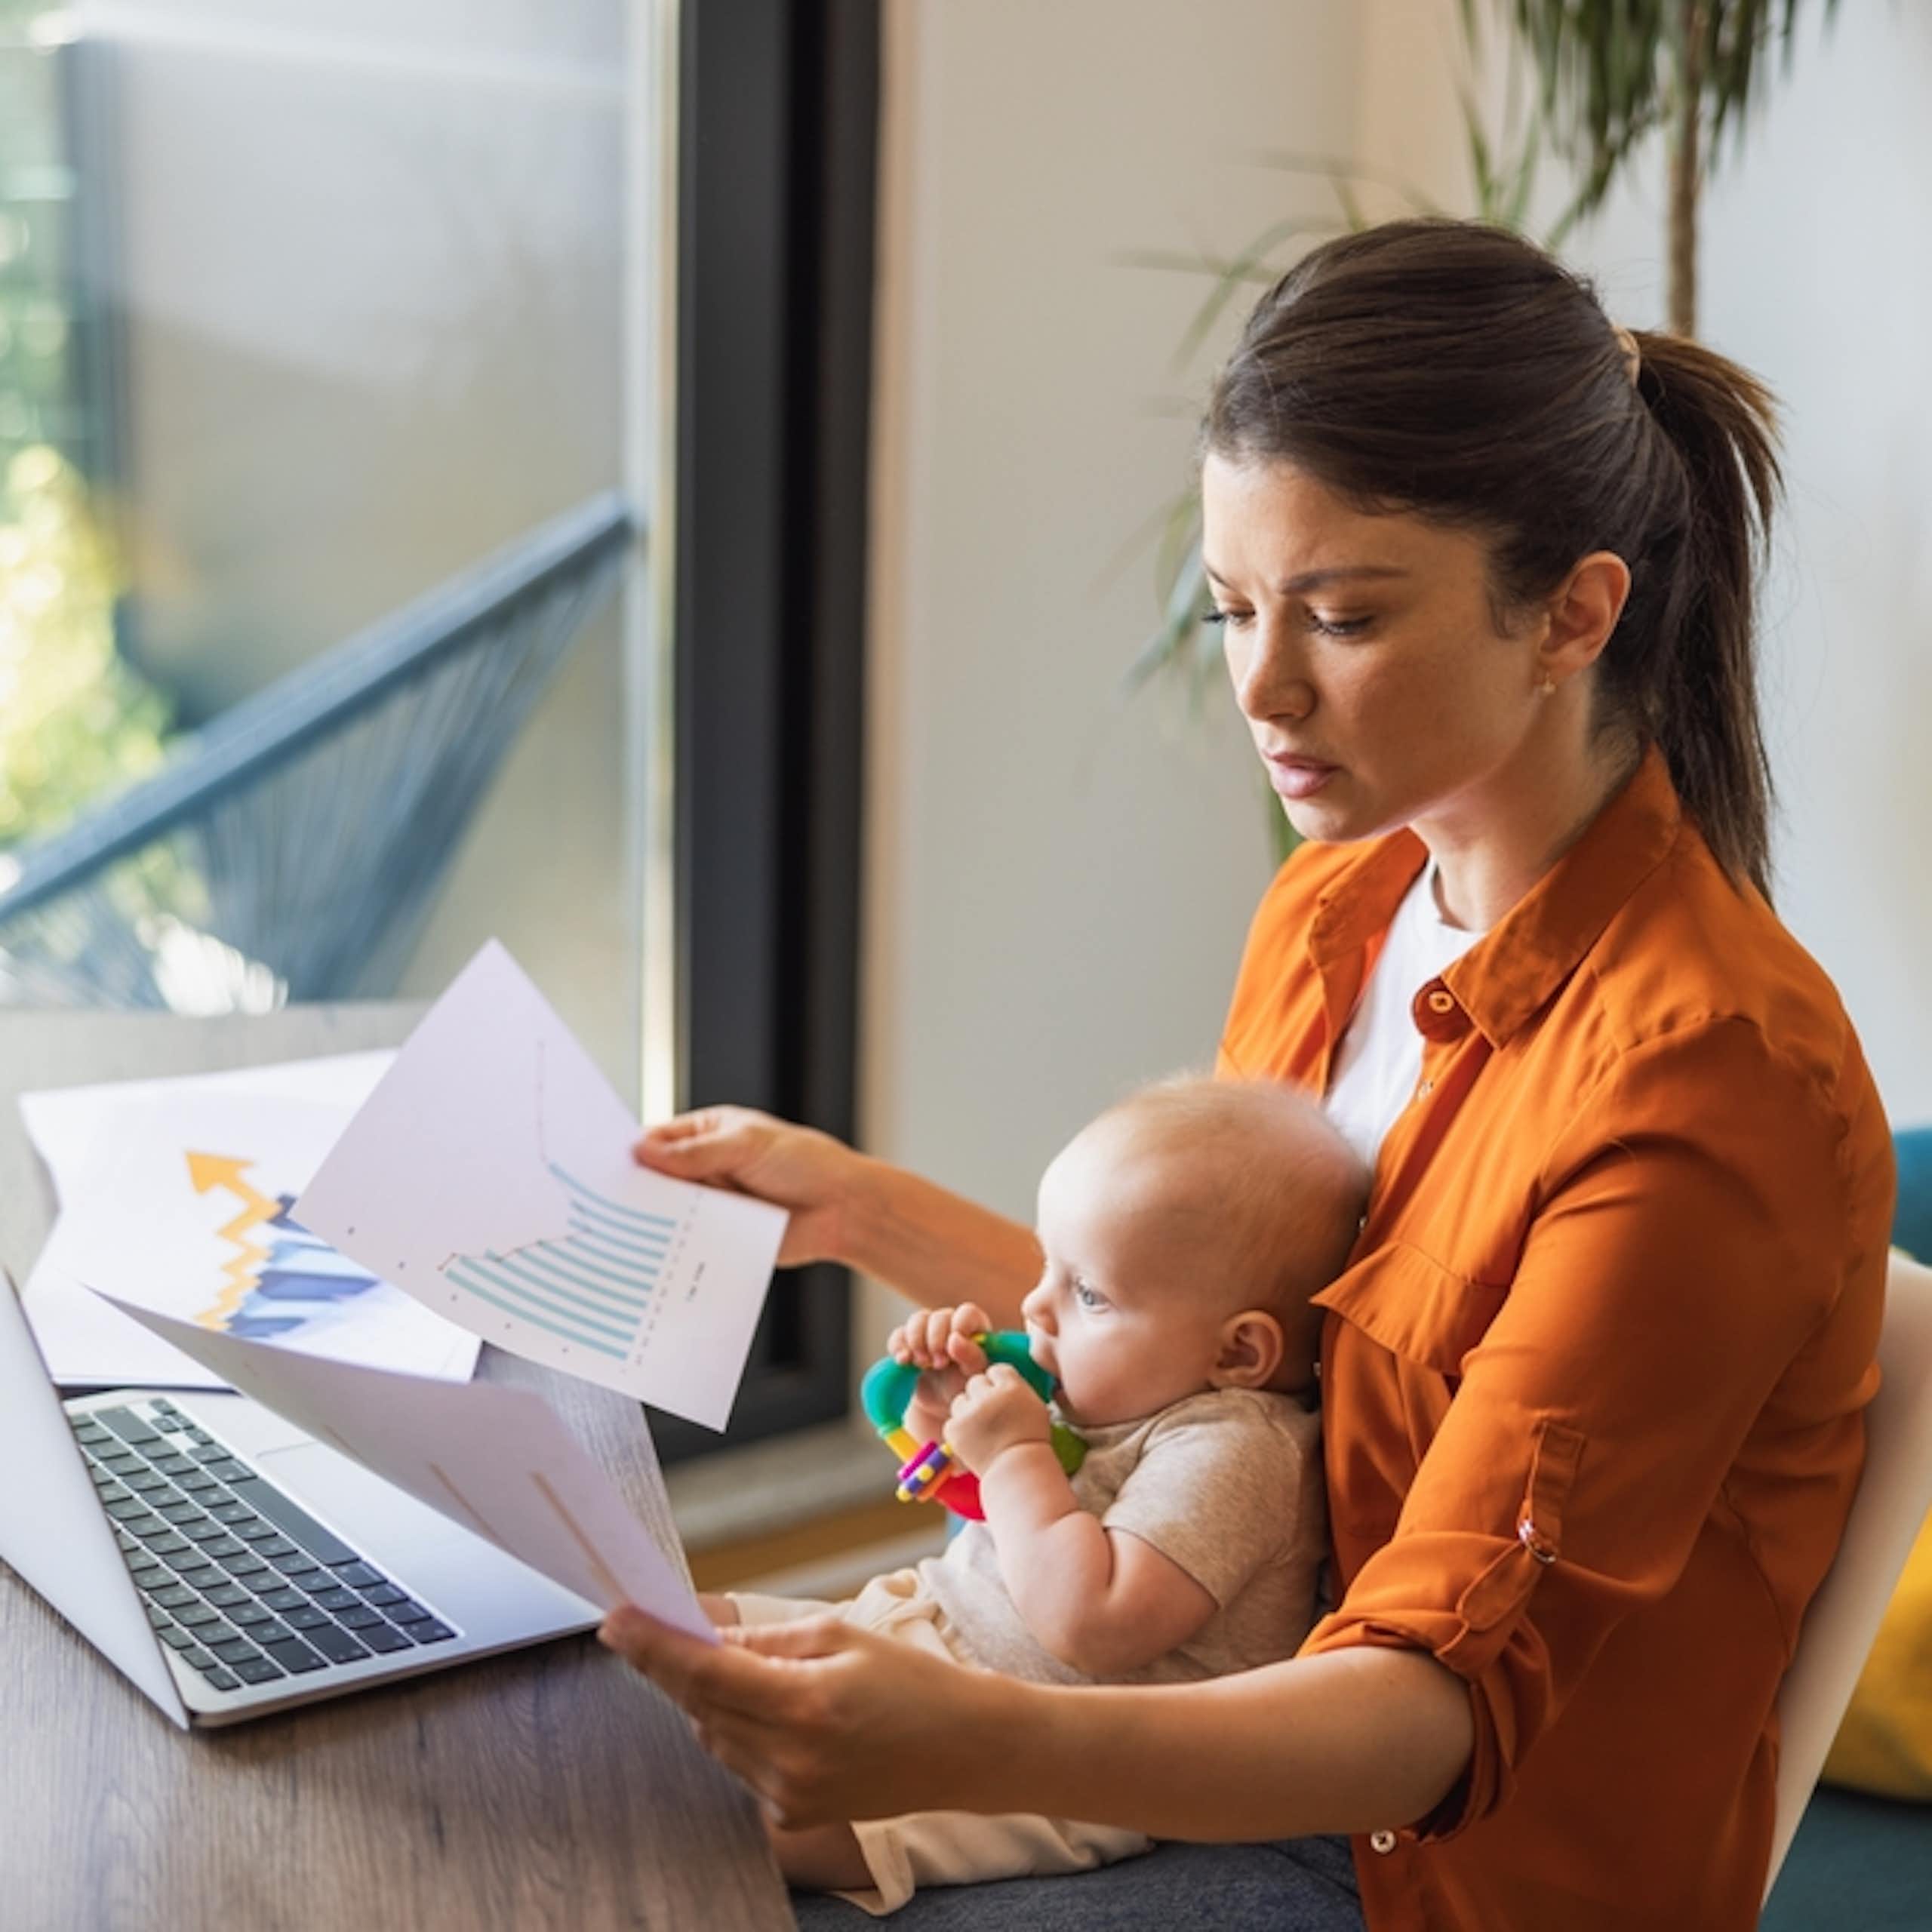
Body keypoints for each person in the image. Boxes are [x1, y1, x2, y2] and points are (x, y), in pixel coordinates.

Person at [599, 219, 1894, 1932]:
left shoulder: (1701, 1086)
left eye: (1342, 616)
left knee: (654, 1874)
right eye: (1226, 608)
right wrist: (851, 1204)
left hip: (1399, 1850)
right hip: (1184, 1690)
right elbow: (1219, 1354)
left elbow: (1427, 1716)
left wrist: (969, 1739)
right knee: (574, 1755)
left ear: (1572, 613)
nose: (1262, 688)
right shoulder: (1338, 902)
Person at [712, 1076, 1364, 1913]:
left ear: (1238, 1353)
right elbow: (1007, 1525)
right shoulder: (1123, 1387)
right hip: (926, 1633)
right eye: (1046, 1265)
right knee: (683, 1622)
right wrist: (946, 1419)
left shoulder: (1238, 1450)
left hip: (1034, 1764)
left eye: (1087, 1293)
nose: (1034, 1306)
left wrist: (1015, 1452)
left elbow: (1088, 1620)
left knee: (735, 1817)